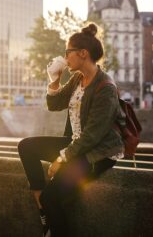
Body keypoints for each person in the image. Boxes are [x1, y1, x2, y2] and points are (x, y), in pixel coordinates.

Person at [18, 23, 124, 237]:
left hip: (97, 153)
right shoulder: (78, 78)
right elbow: (54, 104)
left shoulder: (106, 88)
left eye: (68, 52)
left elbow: (93, 136)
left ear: (83, 53)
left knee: (52, 198)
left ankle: (48, 217)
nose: (65, 57)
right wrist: (54, 79)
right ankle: (43, 211)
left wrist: (61, 158)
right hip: (77, 144)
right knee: (26, 146)